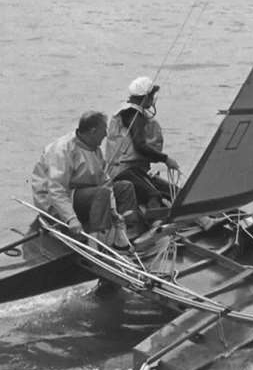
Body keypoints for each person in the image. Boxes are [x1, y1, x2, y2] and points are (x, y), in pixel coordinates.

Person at [31, 110, 137, 249]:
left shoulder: (95, 149)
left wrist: (113, 210)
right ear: (93, 131)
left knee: (125, 187)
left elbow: (104, 181)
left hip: (86, 194)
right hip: (56, 201)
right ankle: (95, 243)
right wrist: (71, 219)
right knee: (101, 194)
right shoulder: (62, 150)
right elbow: (56, 190)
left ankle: (121, 234)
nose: (106, 134)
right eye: (103, 130)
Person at [106, 77, 181, 222]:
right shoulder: (134, 115)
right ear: (146, 97)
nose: (153, 100)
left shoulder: (128, 112)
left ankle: (203, 220)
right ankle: (155, 224)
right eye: (152, 96)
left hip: (136, 171)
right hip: (124, 172)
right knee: (154, 194)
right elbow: (140, 145)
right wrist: (166, 159)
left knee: (174, 192)